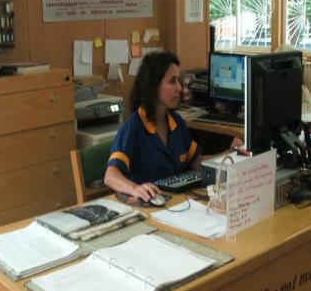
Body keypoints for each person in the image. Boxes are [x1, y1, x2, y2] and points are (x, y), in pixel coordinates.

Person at [104, 52, 243, 202]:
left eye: (179, 81)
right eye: (173, 81)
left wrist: (231, 153)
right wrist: (135, 189)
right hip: (149, 204)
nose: (180, 88)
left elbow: (197, 162)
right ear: (154, 86)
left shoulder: (176, 123)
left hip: (175, 201)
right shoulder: (133, 126)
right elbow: (110, 176)